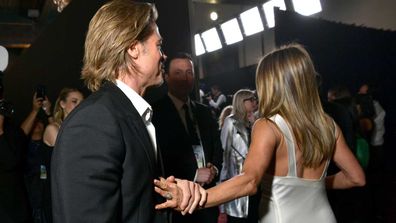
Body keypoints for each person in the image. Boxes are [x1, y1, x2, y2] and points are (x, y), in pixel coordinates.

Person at [155, 43, 366, 223]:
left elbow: (249, 181)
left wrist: (194, 198)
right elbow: (356, 178)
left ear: (270, 83)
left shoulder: (269, 125)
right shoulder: (328, 125)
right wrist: (314, 185)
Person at [51, 1, 204, 223]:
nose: (163, 55)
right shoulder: (93, 122)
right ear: (133, 48)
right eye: (158, 46)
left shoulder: (128, 113)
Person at [152, 52, 223, 223]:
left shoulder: (204, 112)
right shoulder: (156, 113)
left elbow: (217, 149)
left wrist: (214, 170)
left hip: (208, 200)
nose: (185, 78)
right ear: (166, 77)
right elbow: (157, 161)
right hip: (180, 206)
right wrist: (193, 174)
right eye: (178, 73)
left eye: (189, 72)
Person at [219, 89, 258, 223]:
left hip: (256, 179)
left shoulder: (257, 121)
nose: (255, 102)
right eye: (251, 99)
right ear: (242, 102)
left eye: (254, 99)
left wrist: (255, 123)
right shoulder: (230, 122)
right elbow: (225, 153)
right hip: (237, 178)